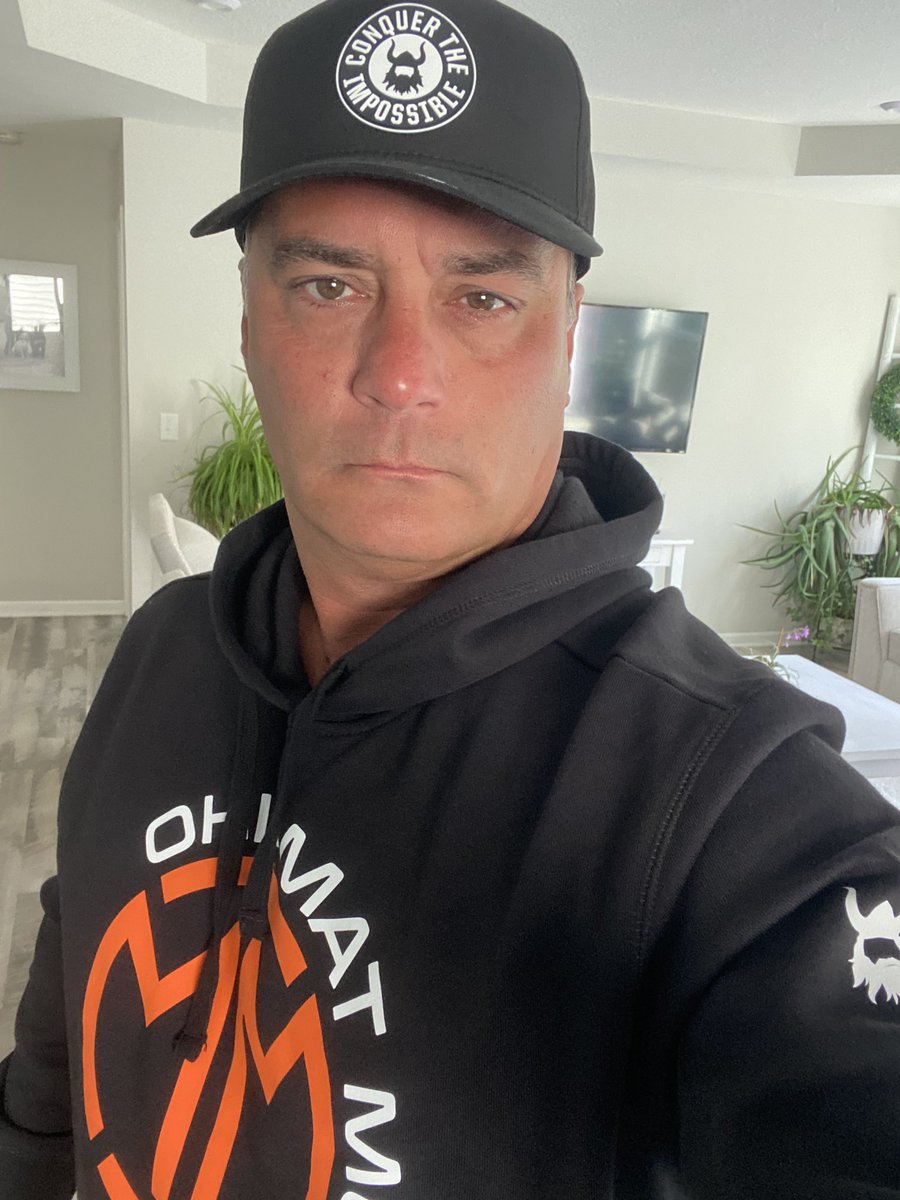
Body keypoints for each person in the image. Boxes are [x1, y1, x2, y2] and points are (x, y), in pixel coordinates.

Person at [2, 0, 900, 1196]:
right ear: (251, 323)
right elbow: (69, 992)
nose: (400, 376)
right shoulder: (168, 641)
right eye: (329, 284)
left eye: (482, 298)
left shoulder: (724, 797)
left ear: (567, 340)